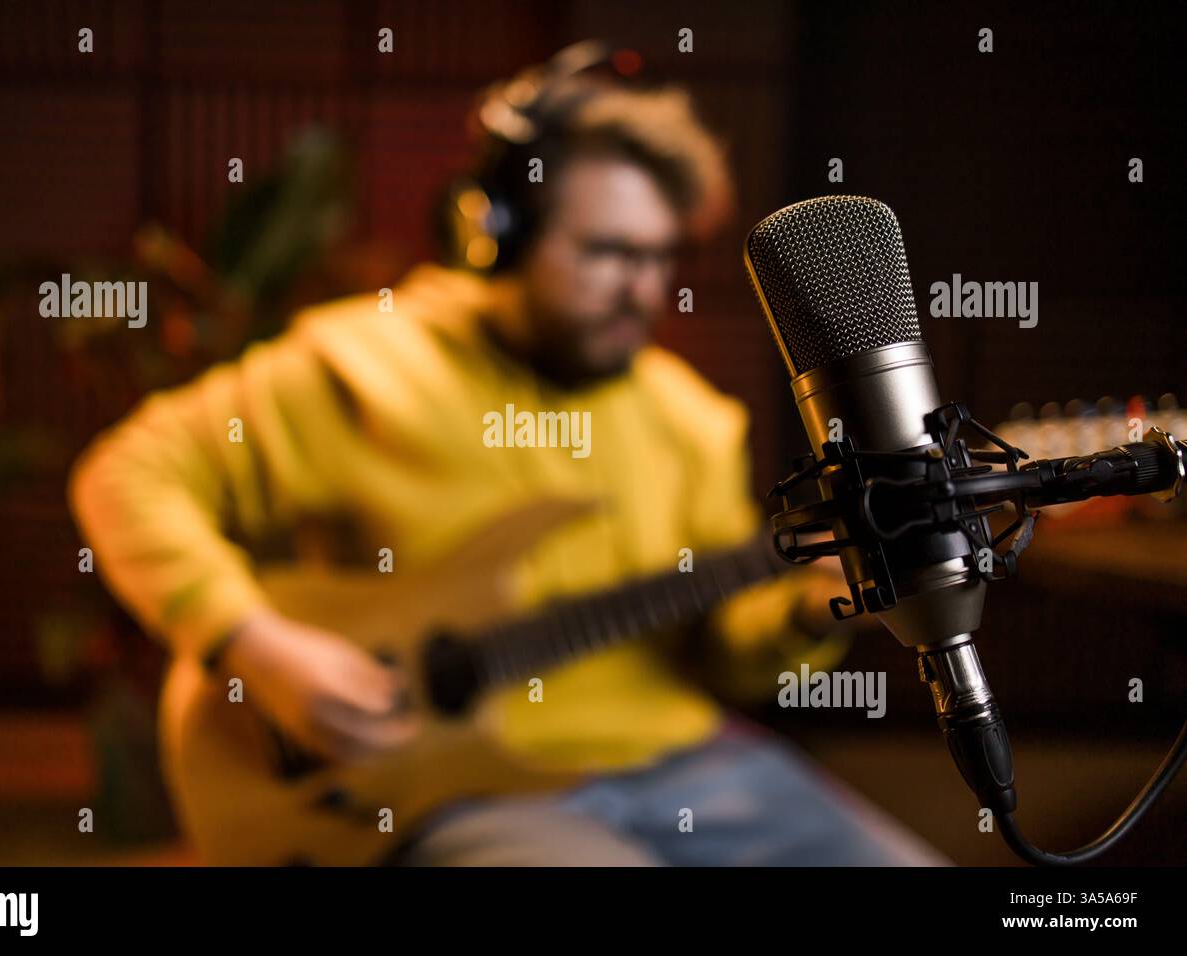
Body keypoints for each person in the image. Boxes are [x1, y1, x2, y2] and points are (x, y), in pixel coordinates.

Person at [68, 43, 949, 866]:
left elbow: (722, 652)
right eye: (606, 252)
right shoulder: (354, 364)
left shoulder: (692, 418)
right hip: (452, 790)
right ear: (494, 231)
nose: (641, 289)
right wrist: (255, 645)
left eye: (657, 257)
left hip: (685, 762)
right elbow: (128, 473)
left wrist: (811, 610)